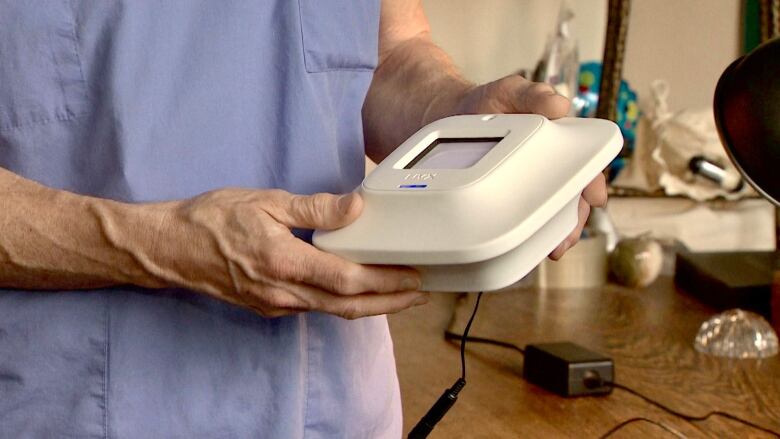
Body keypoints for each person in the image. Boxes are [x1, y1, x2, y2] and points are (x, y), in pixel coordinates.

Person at [0, 1, 606, 437]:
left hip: (335, 402)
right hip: (77, 404)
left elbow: (384, 51)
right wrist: (155, 243)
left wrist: (458, 112)